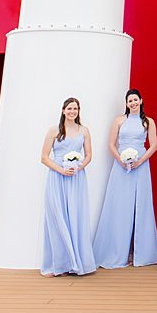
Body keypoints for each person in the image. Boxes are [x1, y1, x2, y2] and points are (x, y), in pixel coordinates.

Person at [93, 88, 157, 268]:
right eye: (130, 101)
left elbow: (153, 145)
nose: (133, 103)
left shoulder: (148, 122)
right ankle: (118, 250)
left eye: (135, 100)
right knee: (120, 205)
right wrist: (120, 160)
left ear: (141, 100)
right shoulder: (119, 120)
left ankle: (139, 253)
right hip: (121, 166)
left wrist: (140, 161)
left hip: (141, 165)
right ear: (126, 103)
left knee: (141, 205)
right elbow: (111, 144)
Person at [40, 96, 96, 277]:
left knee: (76, 216)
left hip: (77, 178)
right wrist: (61, 170)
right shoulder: (54, 131)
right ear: (63, 111)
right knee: (58, 217)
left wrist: (78, 166)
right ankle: (60, 263)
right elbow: (44, 157)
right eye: (69, 108)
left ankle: (77, 261)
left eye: (75, 109)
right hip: (57, 177)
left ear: (78, 111)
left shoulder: (84, 131)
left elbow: (88, 155)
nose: (72, 112)